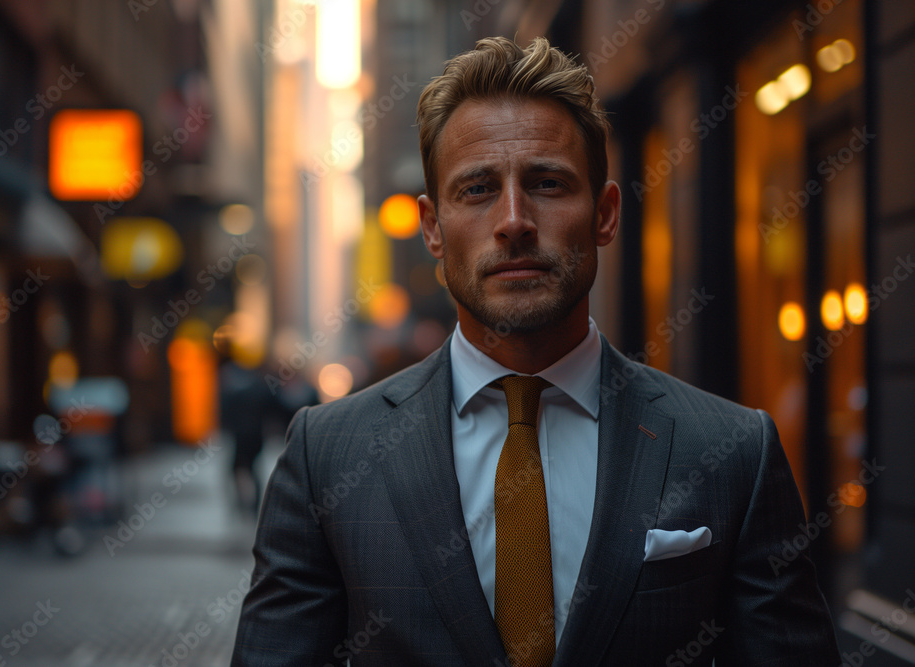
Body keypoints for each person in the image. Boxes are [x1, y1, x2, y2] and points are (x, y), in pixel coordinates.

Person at [230, 36, 839, 665]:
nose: (514, 219)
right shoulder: (327, 456)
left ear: (604, 214)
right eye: (476, 189)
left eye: (548, 183)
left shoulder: (733, 452)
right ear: (433, 227)